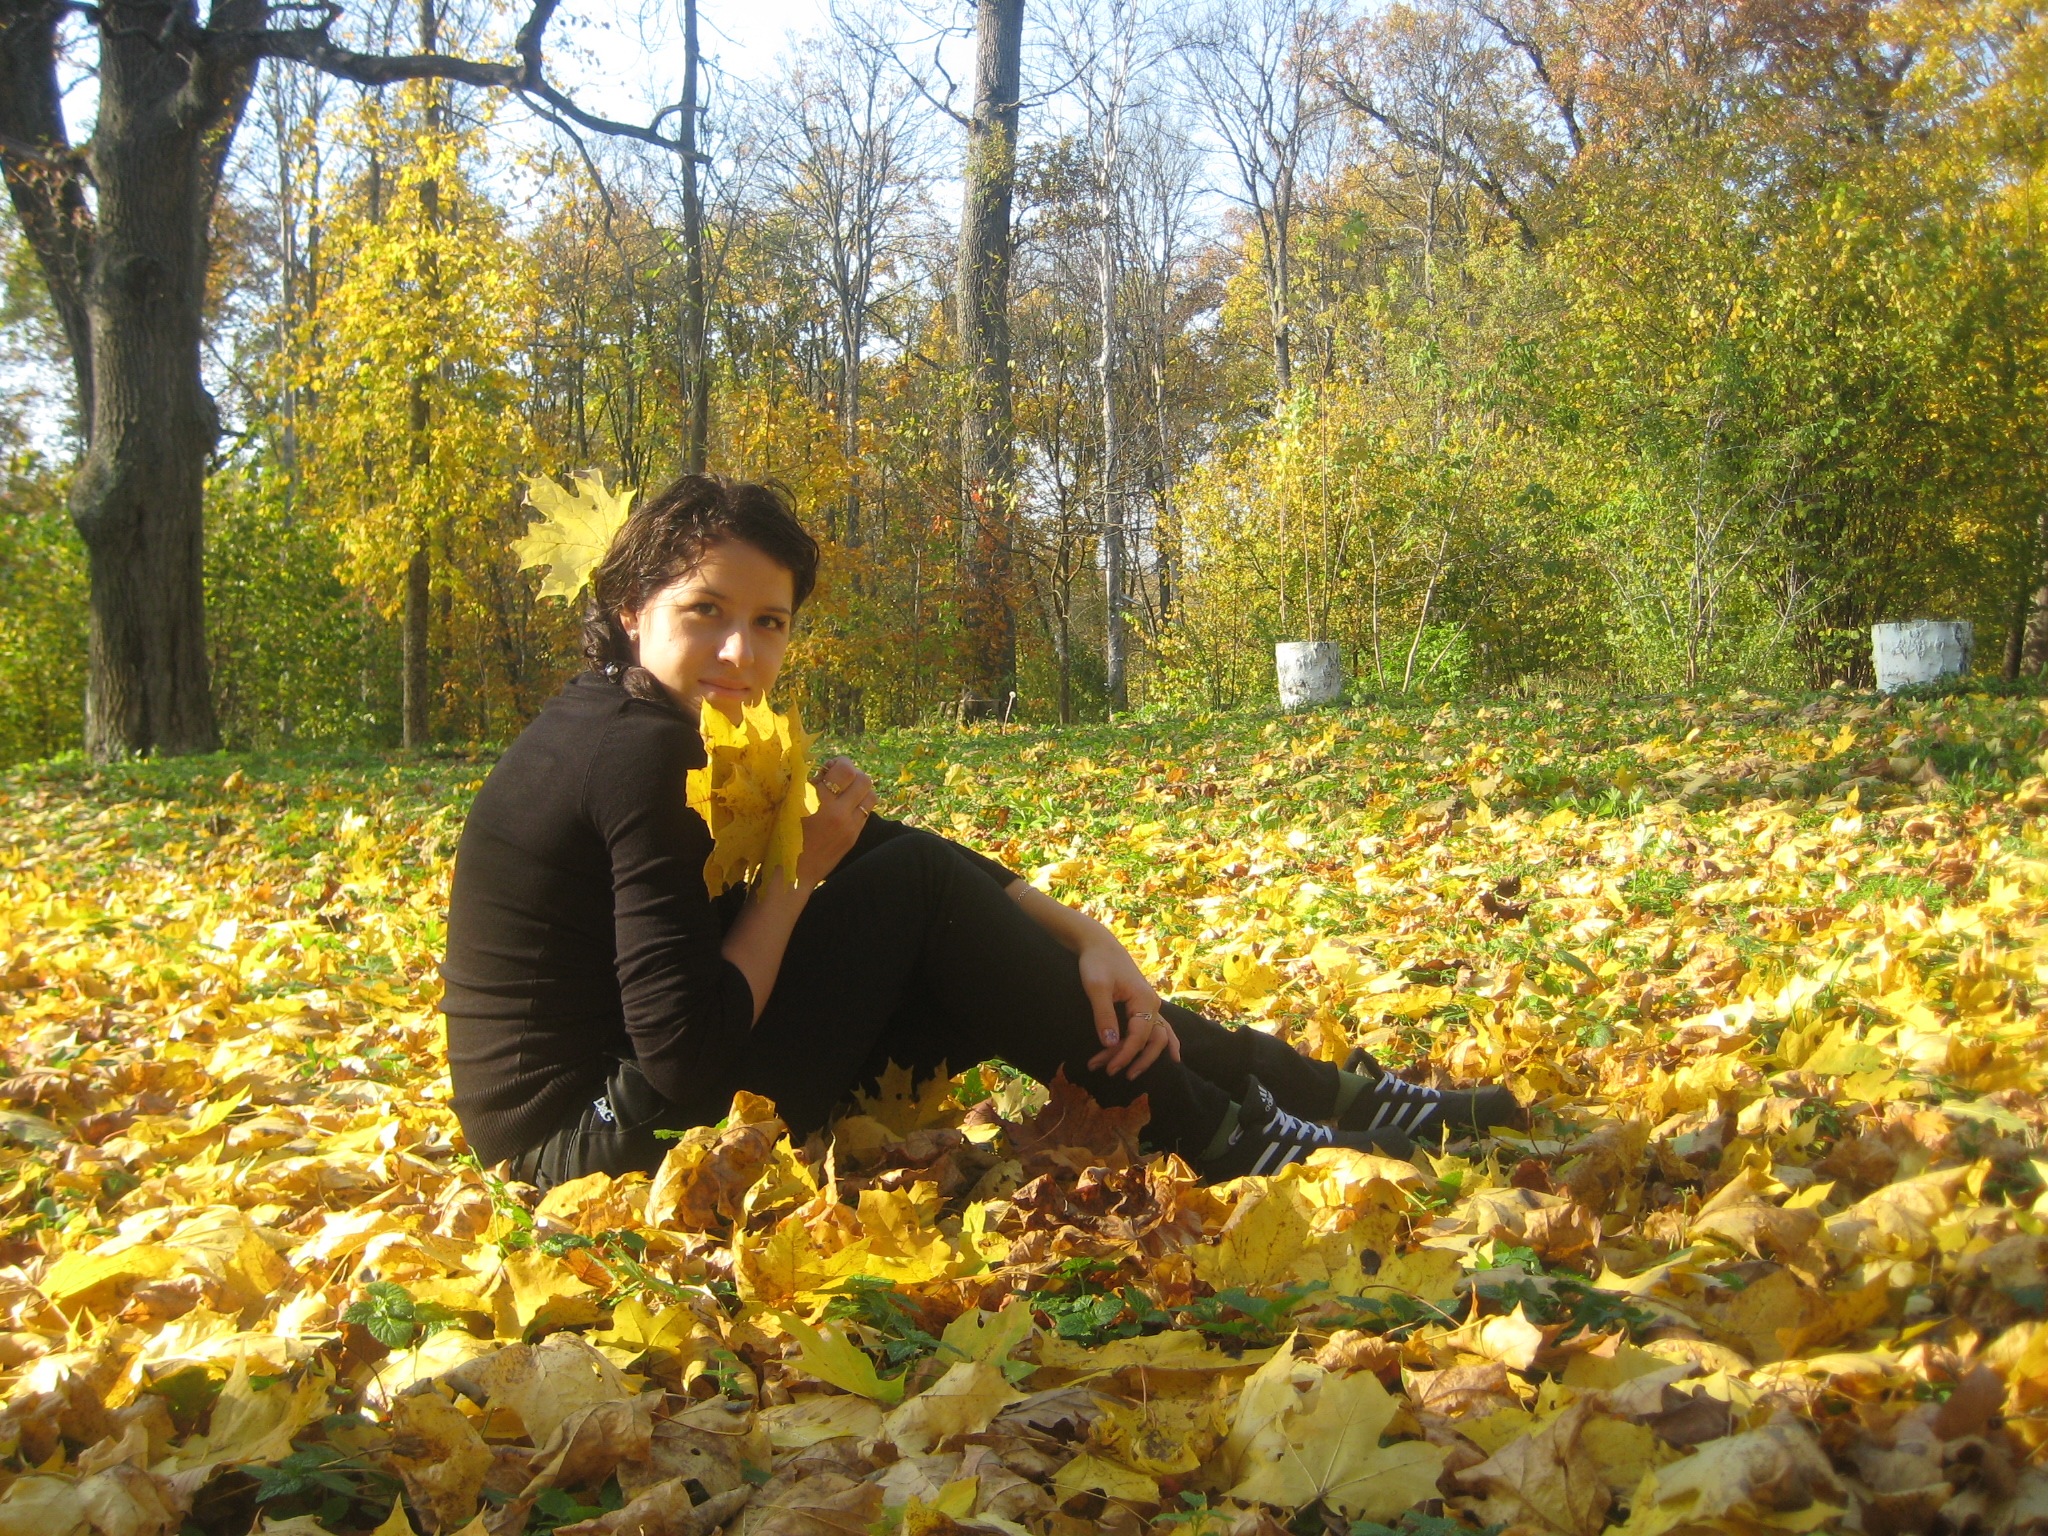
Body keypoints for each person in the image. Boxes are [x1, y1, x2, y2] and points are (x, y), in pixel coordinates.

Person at [440, 474, 1524, 1190]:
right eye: (705, 612)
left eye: (769, 622)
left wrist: (1081, 932)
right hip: (588, 1153)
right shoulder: (636, 753)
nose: (741, 653)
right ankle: (1228, 1130)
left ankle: (1296, 1093)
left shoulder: (677, 721)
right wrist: (793, 883)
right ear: (632, 607)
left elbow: (875, 849)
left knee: (936, 904)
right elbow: (682, 1064)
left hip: (647, 1104)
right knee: (921, 895)